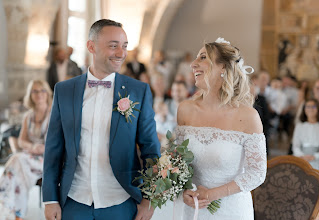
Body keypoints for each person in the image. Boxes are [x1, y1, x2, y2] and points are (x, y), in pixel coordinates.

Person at [42, 19, 160, 220]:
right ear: (91, 46)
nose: (121, 53)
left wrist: (149, 199)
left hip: (121, 199)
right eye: (113, 46)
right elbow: (53, 147)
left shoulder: (138, 91)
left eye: (124, 46)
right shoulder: (64, 90)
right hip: (73, 200)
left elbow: (150, 147)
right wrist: (50, 199)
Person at [176, 37, 267, 219]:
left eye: (203, 57)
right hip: (191, 208)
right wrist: (184, 190)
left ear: (223, 67)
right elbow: (177, 161)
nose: (193, 64)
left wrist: (212, 194)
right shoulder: (185, 109)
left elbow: (257, 173)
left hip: (230, 210)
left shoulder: (248, 116)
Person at [0, 80, 52, 220]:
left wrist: (42, 148)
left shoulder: (54, 113)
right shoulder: (28, 116)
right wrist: (32, 147)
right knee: (20, 174)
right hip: (29, 158)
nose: (39, 94)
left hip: (47, 159)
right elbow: (21, 141)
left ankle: (6, 200)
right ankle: (19, 215)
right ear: (30, 95)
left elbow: (57, 141)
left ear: (47, 93)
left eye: (42, 90)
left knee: (17, 159)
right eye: (35, 91)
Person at [292, 98, 319, 173]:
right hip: (302, 158)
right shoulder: (299, 126)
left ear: (318, 109)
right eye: (307, 106)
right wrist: (302, 156)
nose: (310, 109)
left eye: (313, 106)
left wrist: (315, 156)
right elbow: (295, 145)